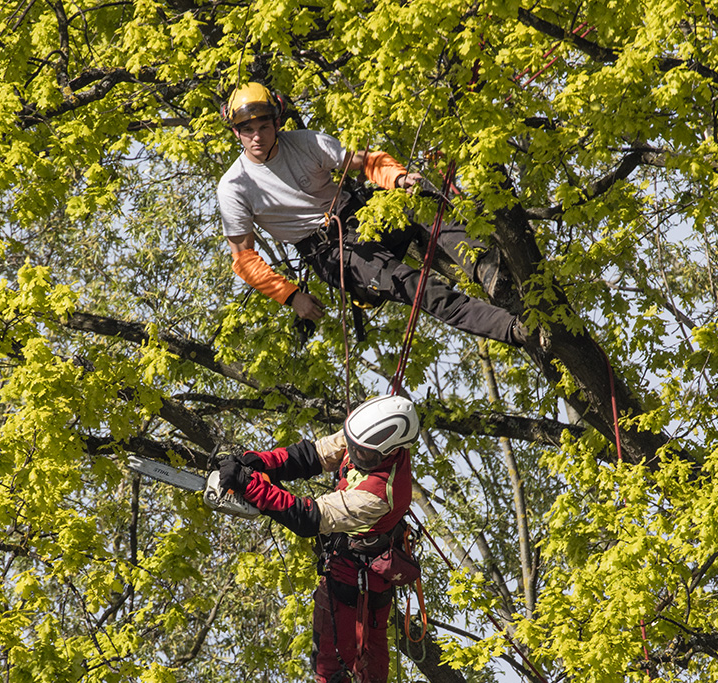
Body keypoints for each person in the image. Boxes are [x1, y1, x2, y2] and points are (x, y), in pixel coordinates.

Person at [216, 82, 525, 346]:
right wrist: (291, 296)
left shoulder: (306, 143)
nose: (257, 137)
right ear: (236, 132)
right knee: (418, 288)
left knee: (421, 200)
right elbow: (244, 260)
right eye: (247, 130)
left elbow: (366, 161)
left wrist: (399, 179)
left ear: (277, 123)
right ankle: (510, 329)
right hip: (333, 253)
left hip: (361, 217)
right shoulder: (235, 187)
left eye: (264, 127)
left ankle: (486, 267)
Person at [219, 394, 420, 683]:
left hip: (357, 579)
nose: (355, 456)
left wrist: (249, 485)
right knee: (334, 661)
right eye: (355, 449)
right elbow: (313, 455)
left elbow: (308, 517)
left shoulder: (378, 495)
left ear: (391, 452)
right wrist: (259, 462)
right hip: (350, 566)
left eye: (363, 456)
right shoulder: (364, 435)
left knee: (349, 667)